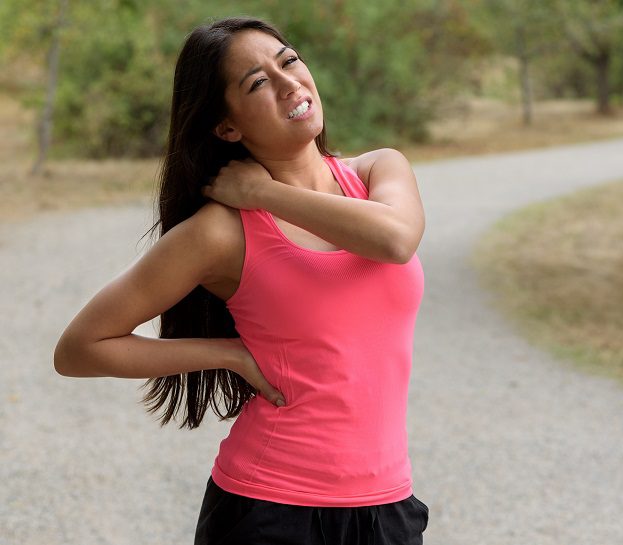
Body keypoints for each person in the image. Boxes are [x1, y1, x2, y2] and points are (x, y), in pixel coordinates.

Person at [53, 16, 429, 545]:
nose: (290, 84)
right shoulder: (220, 233)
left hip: (386, 504)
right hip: (270, 509)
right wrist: (228, 353)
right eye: (257, 83)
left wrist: (264, 194)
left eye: (289, 61)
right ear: (226, 127)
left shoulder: (376, 172)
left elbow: (395, 240)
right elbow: (80, 348)